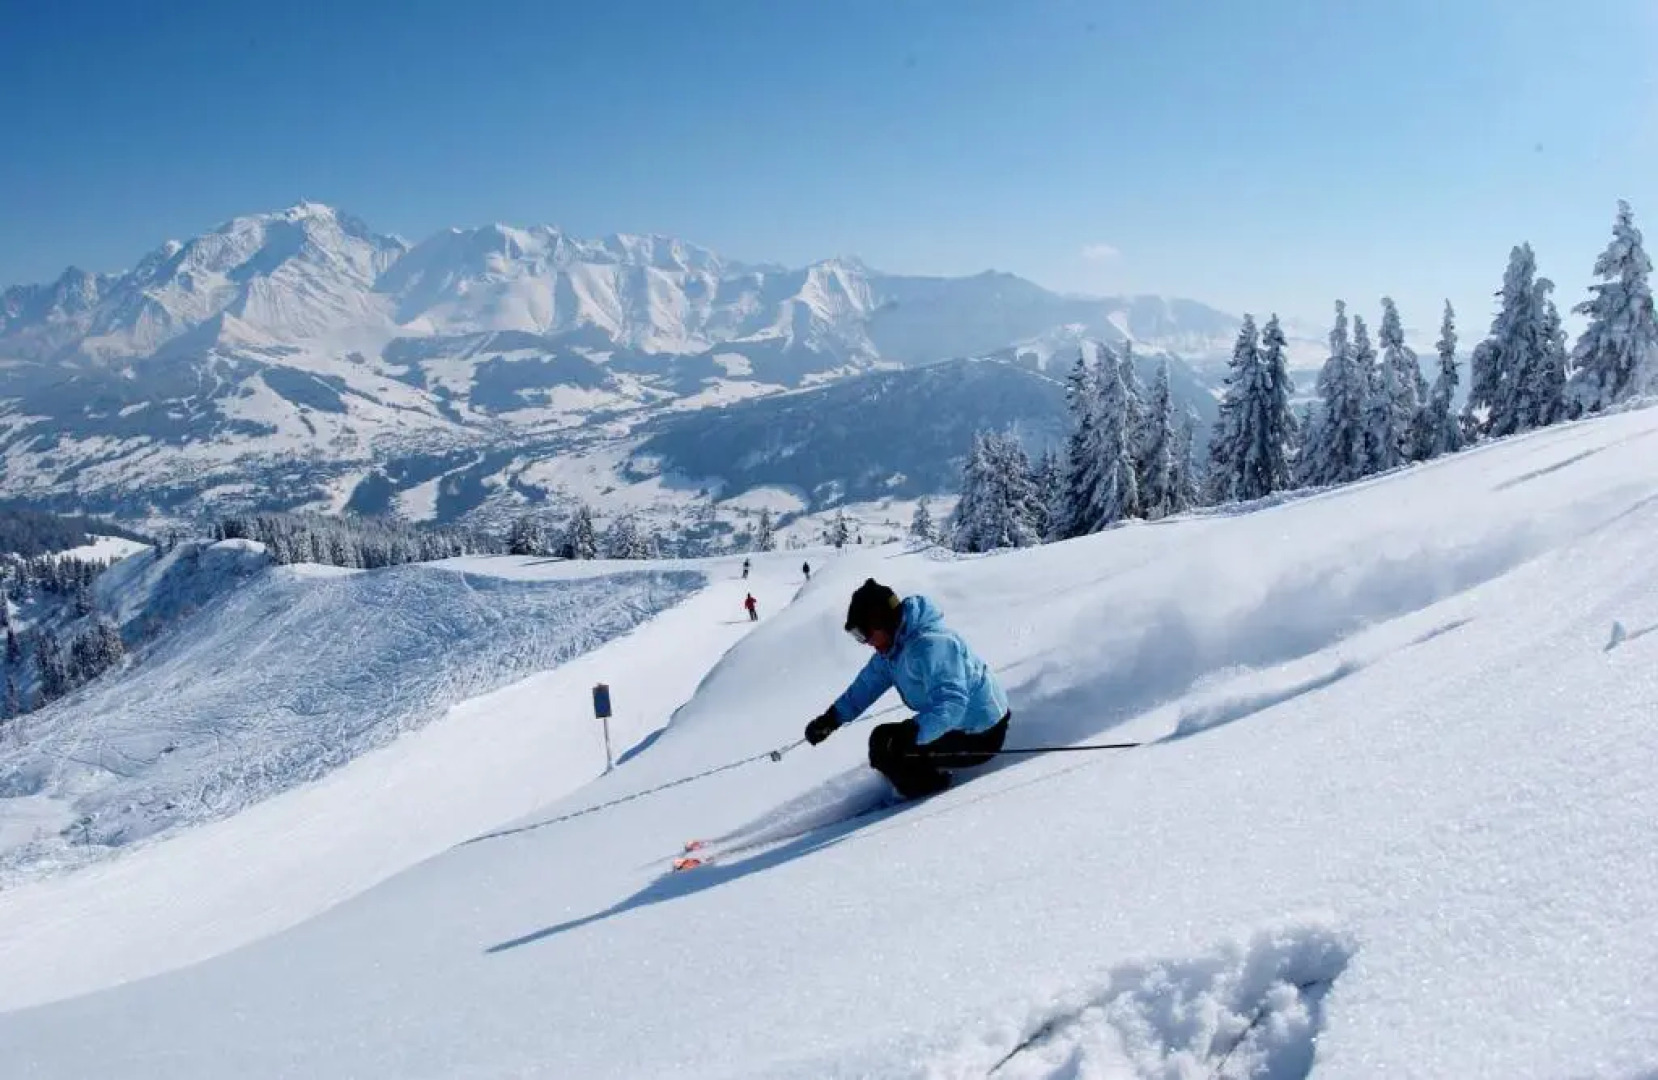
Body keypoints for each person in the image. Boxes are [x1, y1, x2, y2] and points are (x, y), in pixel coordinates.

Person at [803, 579, 1009, 799]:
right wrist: (832, 718)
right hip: (959, 725)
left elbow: (952, 703)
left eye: (863, 633)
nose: (865, 642)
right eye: (857, 637)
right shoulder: (893, 649)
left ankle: (930, 793)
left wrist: (912, 732)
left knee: (890, 747)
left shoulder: (931, 645)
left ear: (882, 621)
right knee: (886, 741)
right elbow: (865, 686)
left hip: (982, 734)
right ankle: (919, 782)